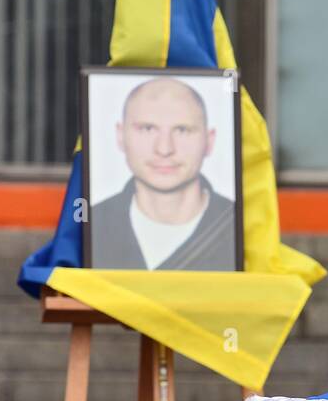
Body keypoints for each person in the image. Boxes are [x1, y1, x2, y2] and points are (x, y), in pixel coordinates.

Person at [90, 76, 237, 271]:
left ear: (209, 141)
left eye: (182, 130)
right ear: (120, 136)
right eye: (147, 129)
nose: (164, 148)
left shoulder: (240, 226)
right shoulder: (93, 224)